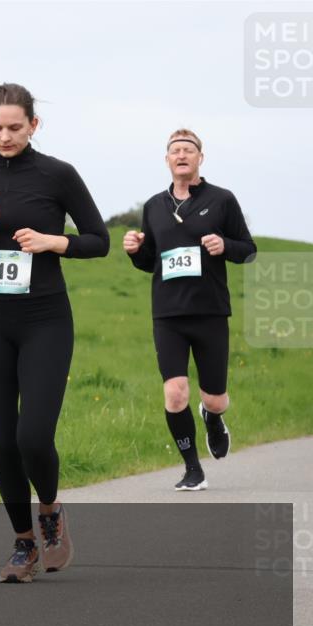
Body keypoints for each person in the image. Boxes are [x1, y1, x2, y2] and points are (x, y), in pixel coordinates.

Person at [0, 83, 109, 583]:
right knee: (2, 441)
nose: (6, 136)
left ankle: (50, 511)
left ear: (34, 124)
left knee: (32, 435)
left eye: (15, 127)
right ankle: (23, 543)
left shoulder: (58, 175)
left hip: (45, 321)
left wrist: (54, 241)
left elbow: (99, 240)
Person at [124, 129, 256, 491]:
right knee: (175, 393)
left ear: (200, 157)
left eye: (188, 150)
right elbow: (151, 261)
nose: (181, 155)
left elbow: (248, 250)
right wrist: (135, 251)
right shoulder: (154, 206)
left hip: (210, 311)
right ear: (167, 159)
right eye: (175, 150)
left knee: (215, 399)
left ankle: (213, 418)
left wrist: (224, 244)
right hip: (168, 315)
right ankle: (192, 468)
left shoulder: (222, 200)